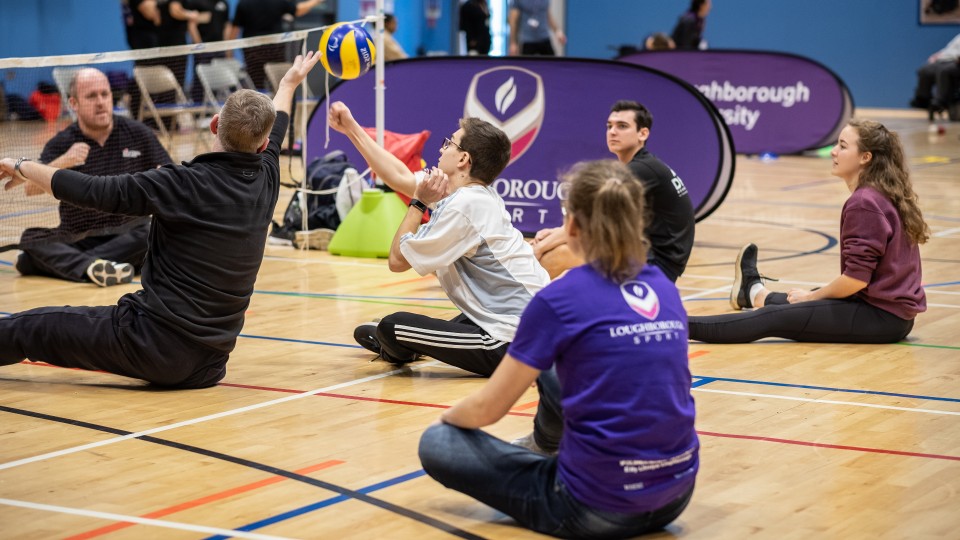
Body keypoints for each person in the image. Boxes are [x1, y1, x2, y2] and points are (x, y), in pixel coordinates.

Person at [0, 53, 322, 388]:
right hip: (210, 365)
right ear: (265, 145)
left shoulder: (183, 183)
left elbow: (94, 191)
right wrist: (288, 84)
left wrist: (22, 165)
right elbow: (279, 121)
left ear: (214, 124)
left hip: (148, 343)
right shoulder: (267, 177)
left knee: (32, 327)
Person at [418, 160, 698, 538]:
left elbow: (488, 408)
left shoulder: (559, 299)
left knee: (438, 442)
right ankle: (545, 446)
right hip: (676, 495)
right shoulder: (665, 289)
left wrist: (447, 422)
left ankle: (555, 461)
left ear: (572, 226)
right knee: (555, 364)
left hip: (595, 508)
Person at [327, 101, 550, 377]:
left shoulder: (463, 206)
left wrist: (418, 202)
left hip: (512, 343)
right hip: (537, 327)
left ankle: (400, 343)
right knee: (464, 316)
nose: (442, 148)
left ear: (463, 159)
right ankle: (416, 339)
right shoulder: (472, 195)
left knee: (392, 325)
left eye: (450, 143)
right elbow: (398, 176)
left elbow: (397, 261)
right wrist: (351, 128)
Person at [689, 119, 928, 344]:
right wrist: (811, 296)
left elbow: (855, 279)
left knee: (774, 316)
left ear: (865, 157)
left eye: (842, 146)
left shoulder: (864, 202)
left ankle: (676, 325)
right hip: (894, 316)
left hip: (880, 318)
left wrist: (812, 297)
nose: (833, 151)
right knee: (801, 299)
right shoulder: (883, 193)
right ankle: (752, 292)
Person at [16, 68, 171, 287]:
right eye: (91, 96)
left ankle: (79, 266)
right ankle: (97, 266)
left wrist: (162, 177)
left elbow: (170, 174)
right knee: (31, 238)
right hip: (78, 235)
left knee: (151, 232)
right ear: (74, 103)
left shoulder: (138, 133)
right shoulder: (61, 143)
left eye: (105, 94)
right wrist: (63, 162)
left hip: (128, 232)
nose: (100, 102)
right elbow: (30, 188)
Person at [532, 100, 695, 282]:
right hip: (643, 253)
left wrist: (538, 249)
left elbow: (586, 220)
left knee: (553, 257)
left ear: (643, 133)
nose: (613, 132)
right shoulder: (643, 165)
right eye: (609, 126)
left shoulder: (640, 171)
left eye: (622, 126)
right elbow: (590, 221)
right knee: (556, 249)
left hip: (656, 266)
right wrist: (553, 233)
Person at [229, 0, 325, 90]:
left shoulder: (243, 3)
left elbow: (234, 31)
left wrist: (229, 54)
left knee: (256, 87)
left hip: (254, 52)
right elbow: (299, 10)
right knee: (279, 86)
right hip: (273, 50)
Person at [910, 33, 960, 117]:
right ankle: (922, 99)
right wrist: (937, 55)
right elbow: (948, 49)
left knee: (943, 71)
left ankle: (939, 102)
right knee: (925, 70)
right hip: (943, 60)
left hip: (956, 63)